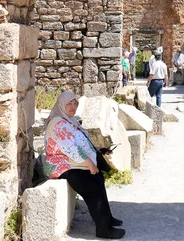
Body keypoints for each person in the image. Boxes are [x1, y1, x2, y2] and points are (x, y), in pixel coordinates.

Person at [44, 92, 125, 239]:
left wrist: (98, 151)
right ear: (61, 104)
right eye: (69, 104)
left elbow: (80, 143)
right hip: (62, 166)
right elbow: (71, 148)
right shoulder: (58, 123)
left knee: (98, 179)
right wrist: (90, 164)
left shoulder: (68, 120)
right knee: (91, 184)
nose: (73, 107)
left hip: (73, 163)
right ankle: (104, 230)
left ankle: (107, 218)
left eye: (75, 104)